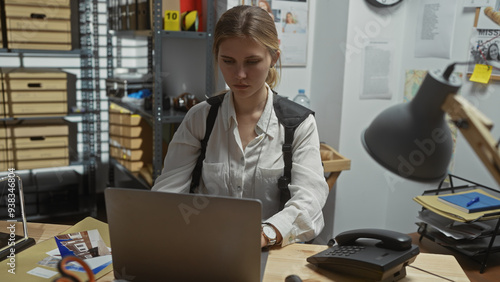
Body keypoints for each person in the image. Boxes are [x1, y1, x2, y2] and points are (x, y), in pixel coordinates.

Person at [152, 5, 329, 248]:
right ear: (217, 57)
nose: (240, 74)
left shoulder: (298, 125)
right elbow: (167, 194)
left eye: (252, 61)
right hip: (207, 248)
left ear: (273, 58)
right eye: (228, 61)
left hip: (273, 252)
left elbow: (309, 200)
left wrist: (265, 234)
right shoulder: (200, 118)